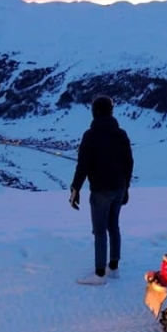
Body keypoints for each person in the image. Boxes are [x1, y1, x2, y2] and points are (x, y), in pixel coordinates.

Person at [69, 94, 134, 285]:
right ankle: (113, 268)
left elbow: (83, 166)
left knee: (99, 231)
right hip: (119, 187)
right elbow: (129, 162)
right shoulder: (121, 134)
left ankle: (99, 274)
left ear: (95, 112)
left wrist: (75, 189)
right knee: (114, 227)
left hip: (101, 190)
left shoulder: (90, 136)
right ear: (111, 111)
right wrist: (126, 186)